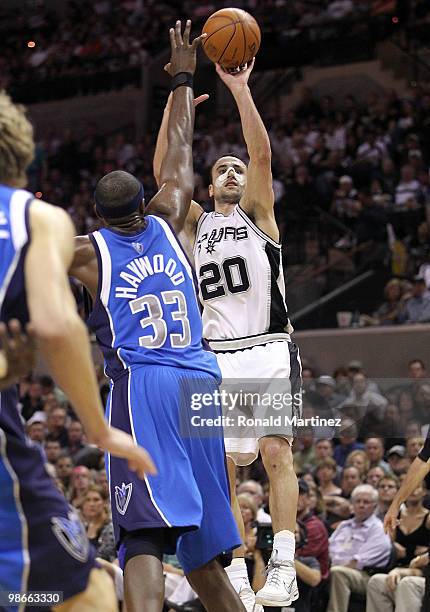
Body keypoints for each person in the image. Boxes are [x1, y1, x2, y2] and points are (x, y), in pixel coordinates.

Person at [69, 21, 243, 612]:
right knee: (199, 558)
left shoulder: (86, 253)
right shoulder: (170, 213)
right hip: (203, 382)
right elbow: (179, 155)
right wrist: (183, 78)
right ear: (142, 203)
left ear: (95, 214)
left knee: (141, 530)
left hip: (149, 386)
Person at [154, 57, 302, 611]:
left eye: (237, 168)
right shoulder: (195, 224)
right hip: (214, 357)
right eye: (222, 169)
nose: (233, 173)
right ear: (211, 183)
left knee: (275, 452)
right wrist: (175, 110)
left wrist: (239, 89)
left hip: (266, 347)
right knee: (220, 470)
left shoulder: (260, 215)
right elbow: (166, 181)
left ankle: (283, 565)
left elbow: (260, 153)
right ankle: (237, 569)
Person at [0, 91, 155, 611]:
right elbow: (56, 322)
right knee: (84, 592)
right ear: (24, 152)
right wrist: (98, 427)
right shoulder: (34, 217)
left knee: (23, 593)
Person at [327, 484, 392, 612]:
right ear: (352, 504)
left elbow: (356, 562)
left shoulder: (378, 528)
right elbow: (328, 548)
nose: (361, 505)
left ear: (374, 505)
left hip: (365, 576)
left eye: (366, 502)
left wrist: (331, 569)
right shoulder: (344, 525)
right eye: (358, 501)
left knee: (338, 573)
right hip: (334, 567)